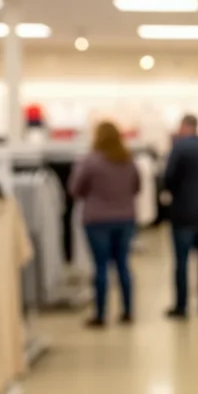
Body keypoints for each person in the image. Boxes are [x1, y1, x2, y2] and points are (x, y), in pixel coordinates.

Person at [69, 121, 140, 328]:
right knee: (123, 265)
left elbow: (75, 189)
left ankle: (100, 314)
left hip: (97, 219)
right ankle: (127, 311)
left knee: (100, 267)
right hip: (125, 218)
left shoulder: (90, 161)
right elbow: (137, 187)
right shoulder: (128, 160)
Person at [163, 115, 198, 318]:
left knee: (181, 261)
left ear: (184, 126)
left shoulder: (178, 148)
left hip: (183, 212)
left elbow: (168, 178)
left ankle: (181, 305)